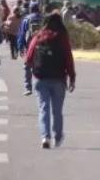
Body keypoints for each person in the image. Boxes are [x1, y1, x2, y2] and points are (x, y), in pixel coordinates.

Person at [25, 12, 76, 148]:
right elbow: (68, 59)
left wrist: (32, 71)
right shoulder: (62, 37)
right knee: (57, 110)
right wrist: (72, 77)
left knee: (44, 108)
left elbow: (29, 57)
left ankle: (45, 137)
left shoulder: (39, 35)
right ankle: (58, 137)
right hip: (58, 78)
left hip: (40, 78)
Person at [17, 3, 44, 95]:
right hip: (42, 46)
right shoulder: (44, 19)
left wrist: (20, 47)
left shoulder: (26, 19)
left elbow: (22, 34)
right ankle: (40, 87)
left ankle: (28, 87)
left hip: (29, 46)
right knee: (41, 66)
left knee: (27, 66)